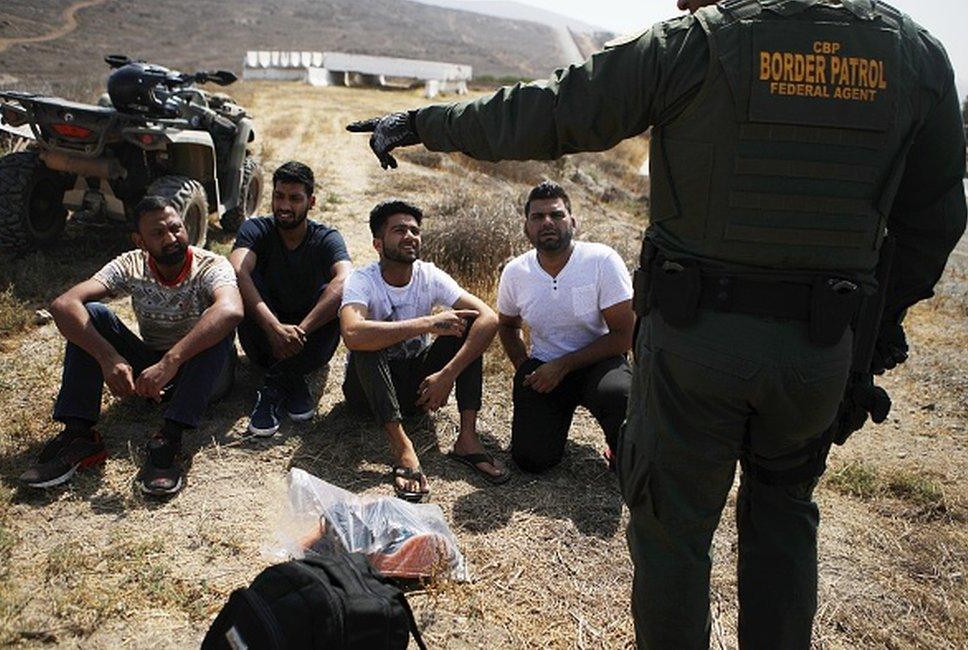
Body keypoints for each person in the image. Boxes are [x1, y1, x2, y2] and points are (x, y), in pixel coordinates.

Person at [346, 0, 968, 645]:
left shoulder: (697, 43)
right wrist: (873, 326)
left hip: (696, 346)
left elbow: (554, 109)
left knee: (671, 531)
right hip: (818, 350)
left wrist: (425, 121)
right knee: (784, 518)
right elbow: (936, 220)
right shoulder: (913, 52)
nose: (678, 3)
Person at [20, 195, 244, 496]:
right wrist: (108, 357)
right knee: (92, 315)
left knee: (216, 323)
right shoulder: (131, 263)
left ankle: (169, 441)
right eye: (158, 233)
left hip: (203, 372)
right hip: (151, 367)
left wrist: (170, 362)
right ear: (139, 240)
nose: (171, 238)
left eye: (176, 228)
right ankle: (79, 436)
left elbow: (231, 310)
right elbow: (64, 304)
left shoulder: (210, 265)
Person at [339, 199, 507, 501]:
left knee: (469, 326)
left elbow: (489, 318)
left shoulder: (428, 275)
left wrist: (447, 375)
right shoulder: (362, 280)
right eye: (399, 230)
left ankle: (467, 439)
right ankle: (402, 447)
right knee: (368, 339)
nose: (410, 236)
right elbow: (351, 333)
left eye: (415, 230)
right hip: (368, 390)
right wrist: (427, 323)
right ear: (378, 243)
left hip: (417, 389)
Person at [498, 181, 633, 472]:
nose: (547, 222)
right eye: (537, 216)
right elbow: (508, 326)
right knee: (531, 462)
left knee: (618, 395)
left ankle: (618, 444)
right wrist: (524, 366)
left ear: (573, 222)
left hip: (600, 364)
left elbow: (624, 335)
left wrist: (566, 364)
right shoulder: (515, 272)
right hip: (545, 368)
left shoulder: (601, 261)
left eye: (556, 215)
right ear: (527, 228)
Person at [229, 161, 352, 436]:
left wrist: (298, 333)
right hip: (262, 342)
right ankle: (289, 378)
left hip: (311, 346)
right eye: (279, 196)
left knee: (334, 291)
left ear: (311, 202)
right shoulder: (256, 230)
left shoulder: (326, 238)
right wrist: (274, 328)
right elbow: (236, 268)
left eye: (295, 198)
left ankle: (278, 380)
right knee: (243, 279)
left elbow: (345, 278)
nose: (284, 206)